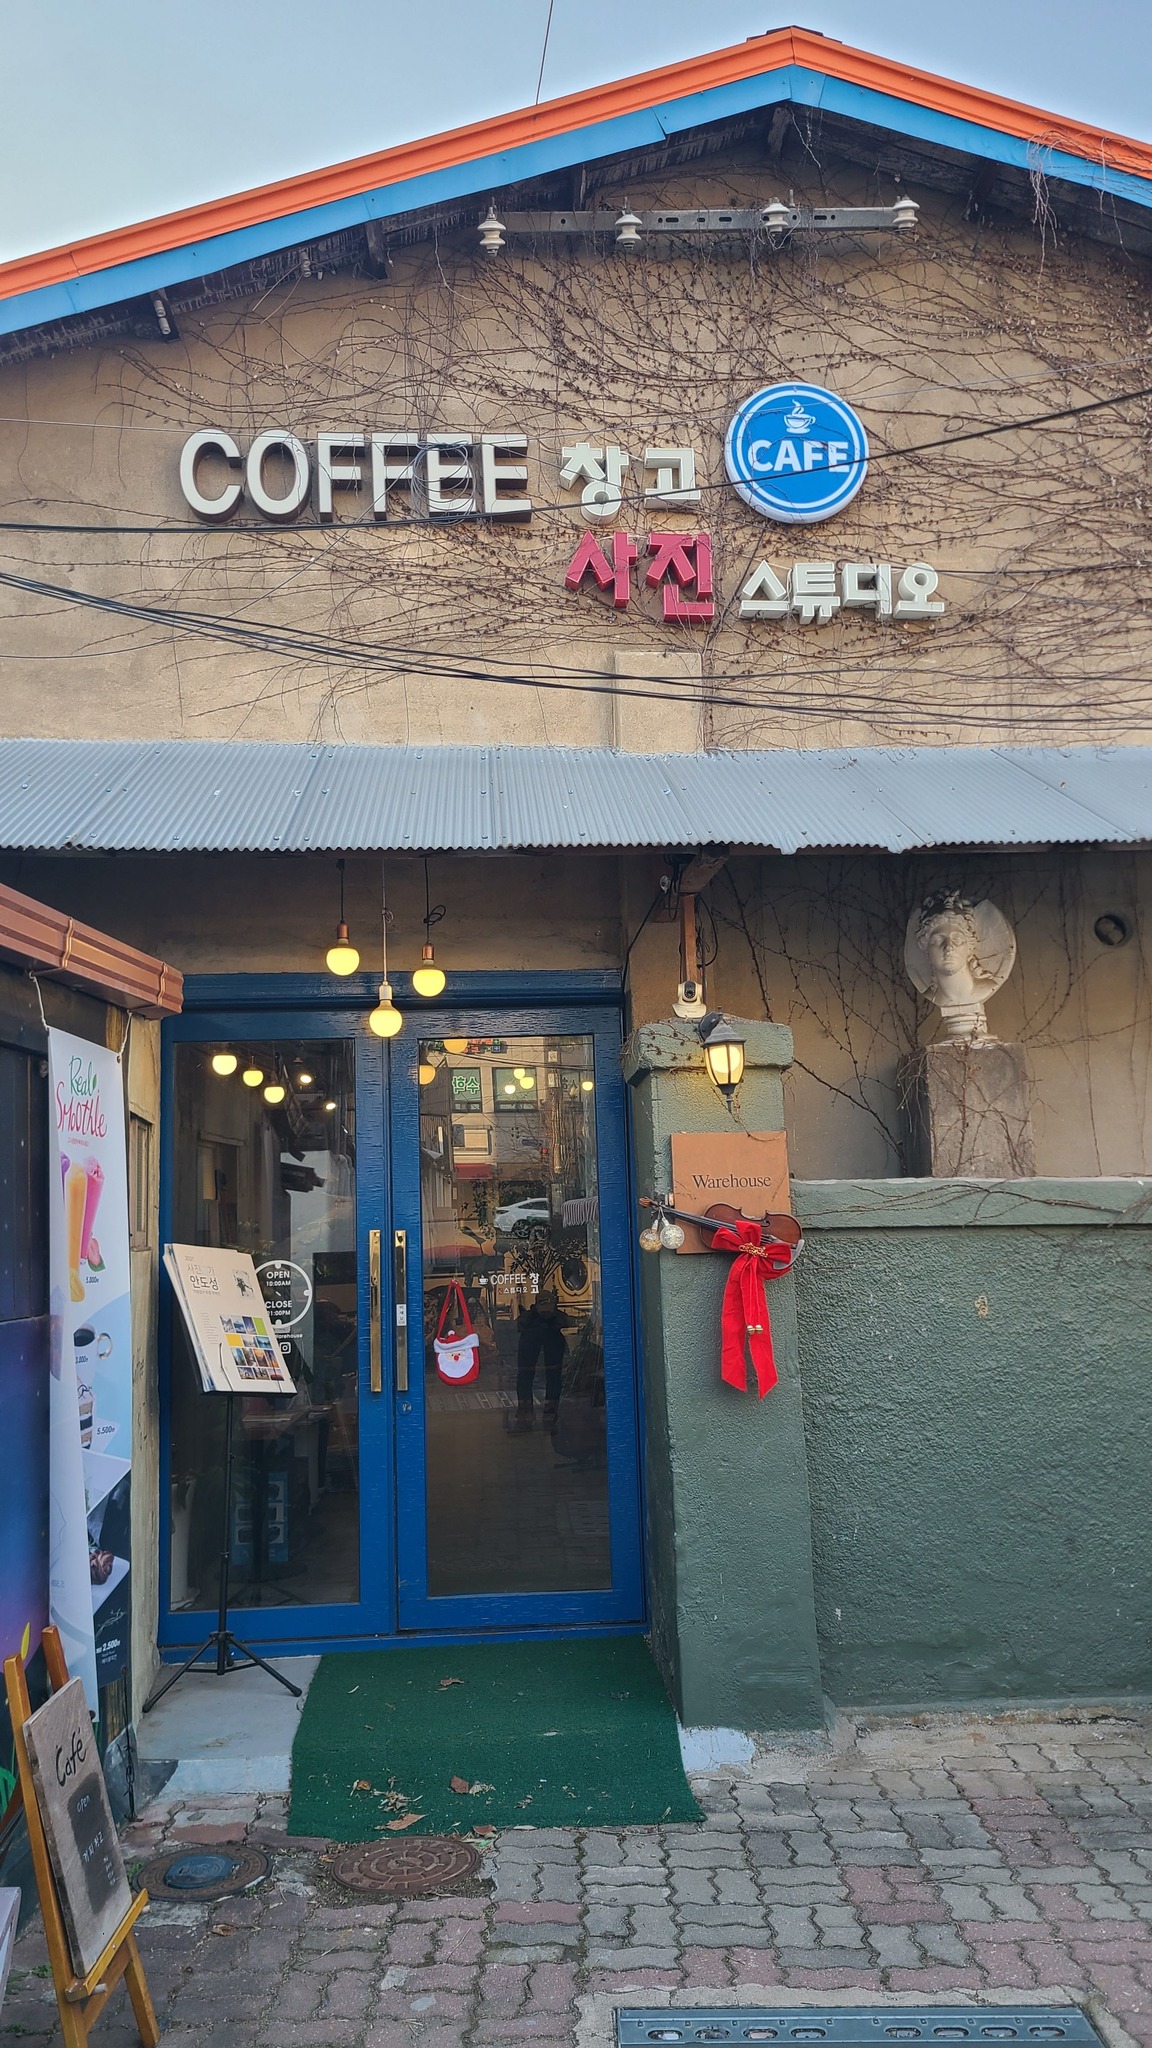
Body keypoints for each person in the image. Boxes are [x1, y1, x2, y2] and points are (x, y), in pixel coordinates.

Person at [511, 1288, 571, 1433]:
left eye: (548, 1310)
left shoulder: (556, 1318)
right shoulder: (528, 1319)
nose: (545, 1314)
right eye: (543, 1310)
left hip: (547, 1356)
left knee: (551, 1378)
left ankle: (547, 1413)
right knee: (526, 1378)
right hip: (534, 1353)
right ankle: (527, 1415)